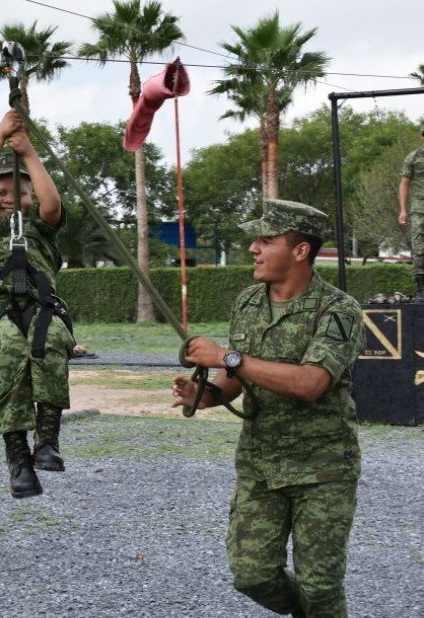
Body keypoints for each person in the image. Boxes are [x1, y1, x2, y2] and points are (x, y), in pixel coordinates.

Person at [171, 199, 363, 618]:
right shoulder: (248, 302)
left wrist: (228, 358)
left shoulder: (339, 310)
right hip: (261, 464)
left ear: (300, 251)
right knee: (251, 574)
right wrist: (205, 395)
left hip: (323, 468)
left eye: (266, 240)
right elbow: (238, 378)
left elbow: (312, 383)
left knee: (320, 585)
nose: (253, 249)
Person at [0, 109, 74, 498]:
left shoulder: (41, 228)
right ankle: (17, 457)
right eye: (1, 192)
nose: (9, 198)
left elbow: (53, 203)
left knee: (53, 340)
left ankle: (47, 439)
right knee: (8, 351)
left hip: (42, 304)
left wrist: (28, 154)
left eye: (19, 192)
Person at [397, 126, 424, 302]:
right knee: (420, 251)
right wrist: (403, 210)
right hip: (419, 210)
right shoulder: (414, 157)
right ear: (422, 136)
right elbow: (405, 183)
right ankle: (422, 291)